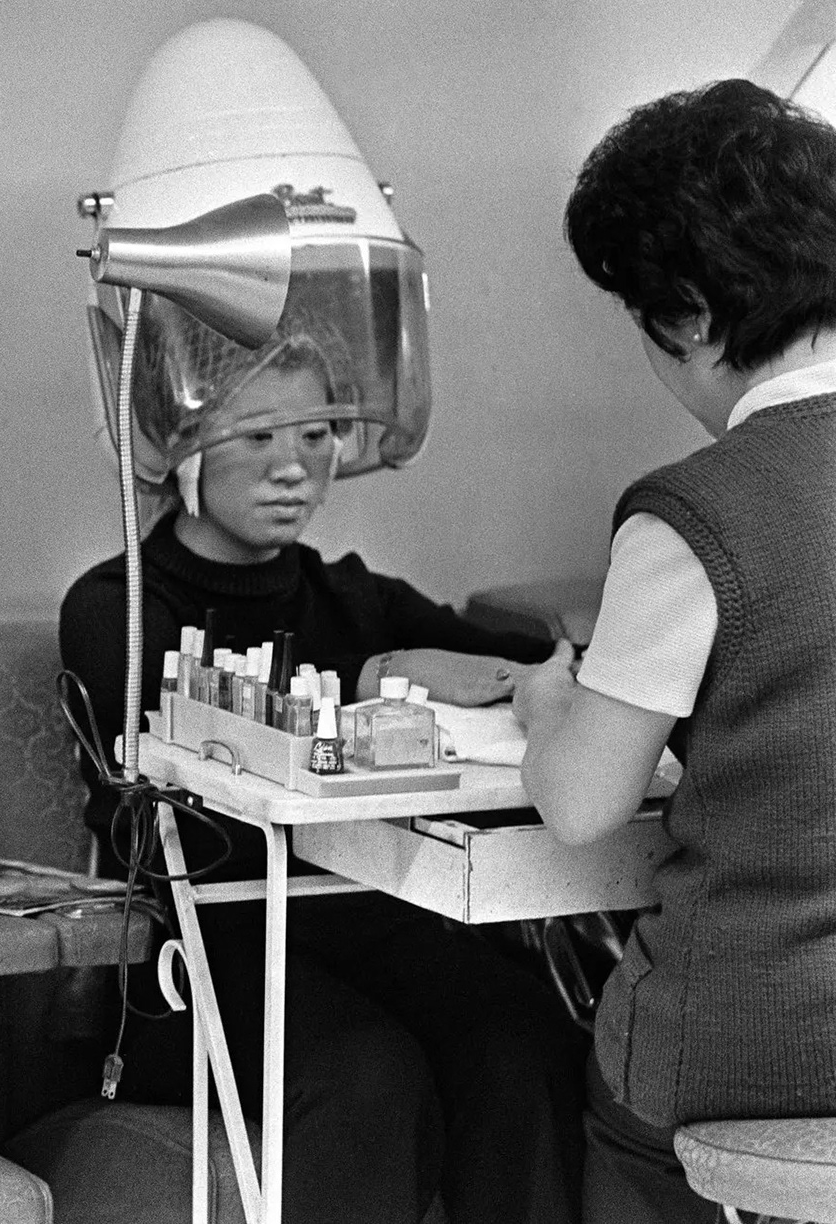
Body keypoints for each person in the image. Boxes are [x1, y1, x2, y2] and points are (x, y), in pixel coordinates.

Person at [60, 317, 589, 1224]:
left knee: (520, 1035)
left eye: (315, 435)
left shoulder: (355, 596)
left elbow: (524, 663)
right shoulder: (118, 609)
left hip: (365, 918)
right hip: (202, 944)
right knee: (367, 1076)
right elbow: (184, 758)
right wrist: (375, 680)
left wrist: (556, 679)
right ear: (183, 445)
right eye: (258, 436)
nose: (293, 467)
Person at [514, 78, 836, 1222]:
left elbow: (582, 806)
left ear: (690, 316)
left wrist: (547, 709)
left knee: (602, 1086)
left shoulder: (695, 513)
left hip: (752, 1043)